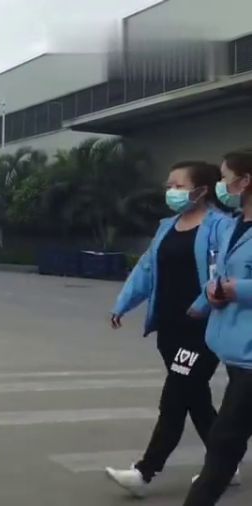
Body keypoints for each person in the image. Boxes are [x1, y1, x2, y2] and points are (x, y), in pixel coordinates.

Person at [106, 161, 234, 498]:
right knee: (194, 397)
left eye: (178, 186)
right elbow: (146, 270)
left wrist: (203, 304)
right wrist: (123, 303)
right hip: (169, 327)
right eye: (169, 185)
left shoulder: (222, 227)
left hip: (203, 328)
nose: (171, 192)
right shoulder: (167, 227)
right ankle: (226, 461)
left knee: (175, 397)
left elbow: (224, 273)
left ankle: (144, 472)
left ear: (201, 190)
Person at [182, 151, 252, 506]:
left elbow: (235, 283)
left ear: (245, 181)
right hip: (235, 350)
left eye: (225, 178)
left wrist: (236, 289)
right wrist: (211, 293)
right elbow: (220, 273)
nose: (222, 185)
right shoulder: (234, 224)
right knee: (226, 441)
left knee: (224, 442)